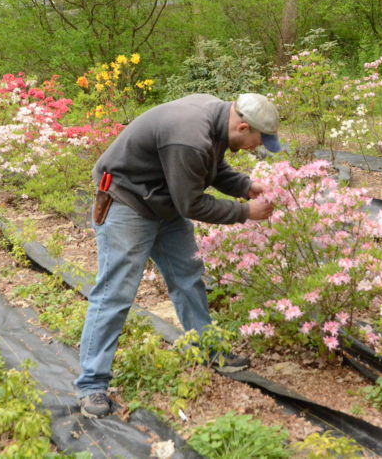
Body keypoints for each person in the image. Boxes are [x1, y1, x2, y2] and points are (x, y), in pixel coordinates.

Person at [75, 92, 281, 418]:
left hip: (163, 202)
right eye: (259, 139)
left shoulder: (214, 117)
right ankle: (91, 384)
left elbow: (211, 167)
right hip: (127, 202)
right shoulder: (190, 136)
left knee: (188, 275)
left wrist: (244, 185)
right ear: (242, 126)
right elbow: (192, 203)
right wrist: (245, 211)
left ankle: (208, 350)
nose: (258, 146)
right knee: (114, 293)